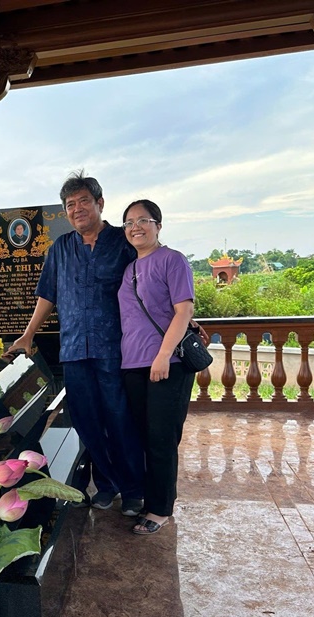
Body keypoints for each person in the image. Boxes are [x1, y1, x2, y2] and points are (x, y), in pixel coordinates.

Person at [7, 172, 144, 513]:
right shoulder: (61, 248)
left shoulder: (123, 242)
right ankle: (106, 486)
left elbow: (149, 284)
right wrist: (27, 334)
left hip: (116, 349)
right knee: (87, 422)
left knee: (120, 419)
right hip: (73, 351)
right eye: (70, 204)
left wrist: (182, 317)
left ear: (100, 203)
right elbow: (47, 295)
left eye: (84, 201)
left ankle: (132, 489)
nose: (77, 208)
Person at [117, 199, 195, 535]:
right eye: (129, 222)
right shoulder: (129, 269)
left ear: (158, 226)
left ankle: (161, 508)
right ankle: (149, 499)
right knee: (144, 437)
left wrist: (163, 355)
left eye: (143, 220)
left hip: (167, 363)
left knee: (162, 438)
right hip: (132, 363)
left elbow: (184, 310)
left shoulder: (172, 260)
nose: (135, 227)